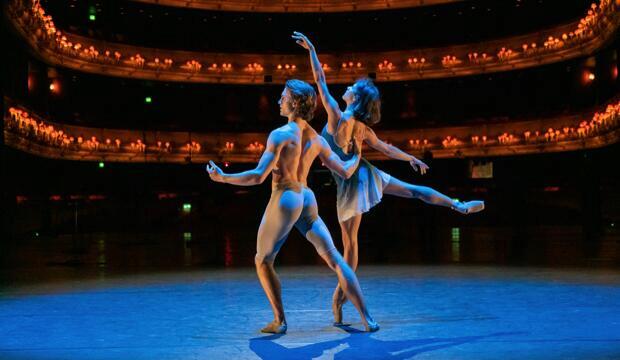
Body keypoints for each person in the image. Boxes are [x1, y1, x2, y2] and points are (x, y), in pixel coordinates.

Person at [293, 31, 485, 324]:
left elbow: (319, 79)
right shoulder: (362, 129)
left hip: (350, 185)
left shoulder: (336, 117)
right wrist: (410, 158)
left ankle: (340, 301)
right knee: (414, 191)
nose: (347, 86)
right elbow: (386, 148)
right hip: (367, 175)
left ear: (354, 99)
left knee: (350, 249)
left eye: (351, 87)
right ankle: (458, 205)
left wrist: (313, 50)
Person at [207, 79, 379, 333]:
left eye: (283, 97)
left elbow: (257, 176)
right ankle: (368, 319)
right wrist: (357, 156)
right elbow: (344, 171)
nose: (279, 100)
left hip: (286, 197)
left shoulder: (280, 135)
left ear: (295, 103)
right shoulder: (317, 139)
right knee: (336, 260)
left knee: (262, 260)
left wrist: (223, 178)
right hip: (307, 197)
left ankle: (279, 321)